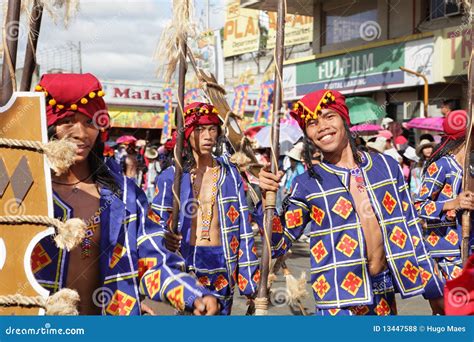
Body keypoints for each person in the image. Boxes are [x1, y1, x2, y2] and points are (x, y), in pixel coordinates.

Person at [32, 74, 219, 315]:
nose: (81, 133)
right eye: (67, 121)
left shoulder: (124, 194)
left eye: (90, 122)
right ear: (48, 127)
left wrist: (190, 293)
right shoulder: (25, 192)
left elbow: (153, 257)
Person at [257, 89, 445, 315]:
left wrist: (434, 289)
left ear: (344, 119)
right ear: (307, 135)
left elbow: (410, 225)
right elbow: (278, 242)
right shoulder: (306, 183)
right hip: (337, 299)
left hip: (383, 290)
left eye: (329, 117)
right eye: (312, 123)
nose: (322, 127)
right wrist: (263, 200)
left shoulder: (385, 167)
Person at [151, 102, 259, 315]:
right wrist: (165, 236)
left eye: (212, 129)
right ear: (187, 132)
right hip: (187, 263)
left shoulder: (230, 173)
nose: (208, 136)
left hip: (222, 260)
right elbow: (152, 227)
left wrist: (249, 277)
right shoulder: (171, 177)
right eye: (200, 129)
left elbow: (244, 228)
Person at [415, 110, 474, 280]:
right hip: (449, 251)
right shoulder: (441, 166)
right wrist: (453, 203)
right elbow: (419, 206)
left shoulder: (471, 166)